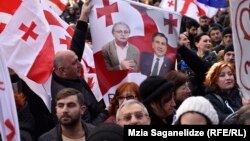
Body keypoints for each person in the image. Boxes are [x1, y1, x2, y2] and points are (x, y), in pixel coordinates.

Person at [51, 0, 108, 125]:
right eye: (75, 63)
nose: (80, 64)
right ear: (62, 70)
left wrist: (83, 17)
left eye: (78, 60)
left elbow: (76, 48)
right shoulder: (66, 98)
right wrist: (106, 112)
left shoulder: (66, 72)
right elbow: (87, 128)